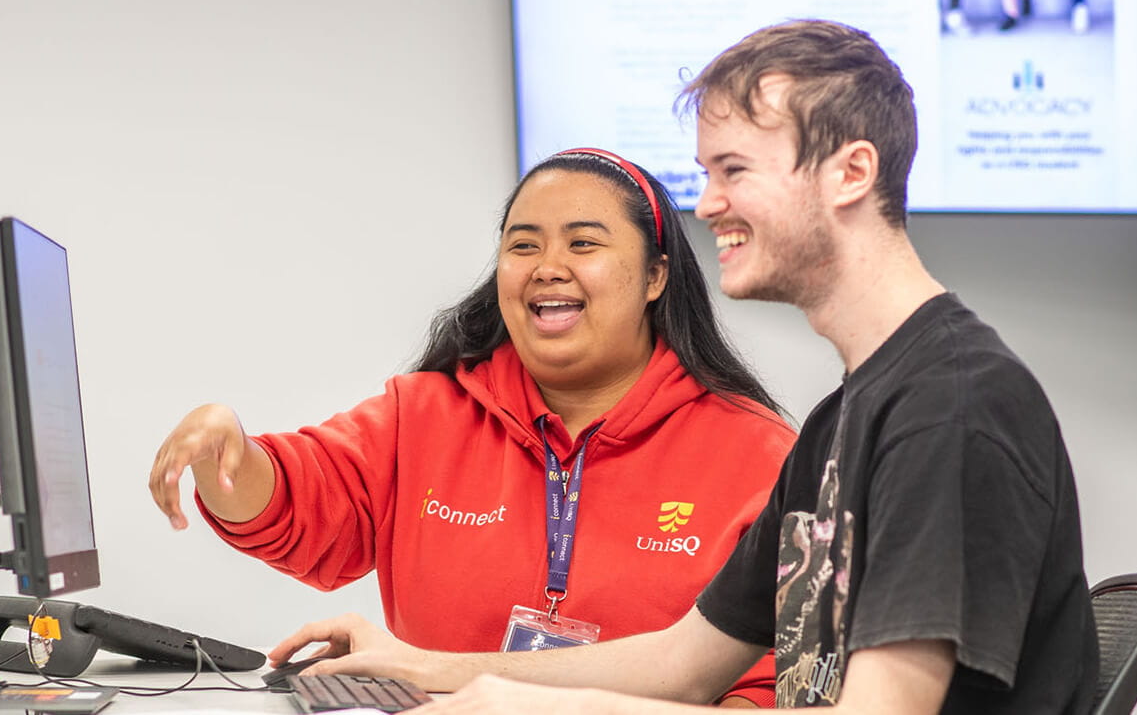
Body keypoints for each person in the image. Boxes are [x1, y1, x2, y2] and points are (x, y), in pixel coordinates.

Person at [271, 20, 1098, 714]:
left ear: (852, 172)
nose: (705, 207)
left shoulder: (952, 406)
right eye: (706, 175)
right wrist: (442, 673)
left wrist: (528, 706)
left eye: (733, 171)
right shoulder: (843, 418)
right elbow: (682, 664)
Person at [146, 148, 798, 706]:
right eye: (522, 244)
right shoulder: (425, 414)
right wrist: (225, 453)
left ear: (656, 276)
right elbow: (300, 503)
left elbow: (769, 689)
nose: (547, 264)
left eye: (583, 242)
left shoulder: (760, 453)